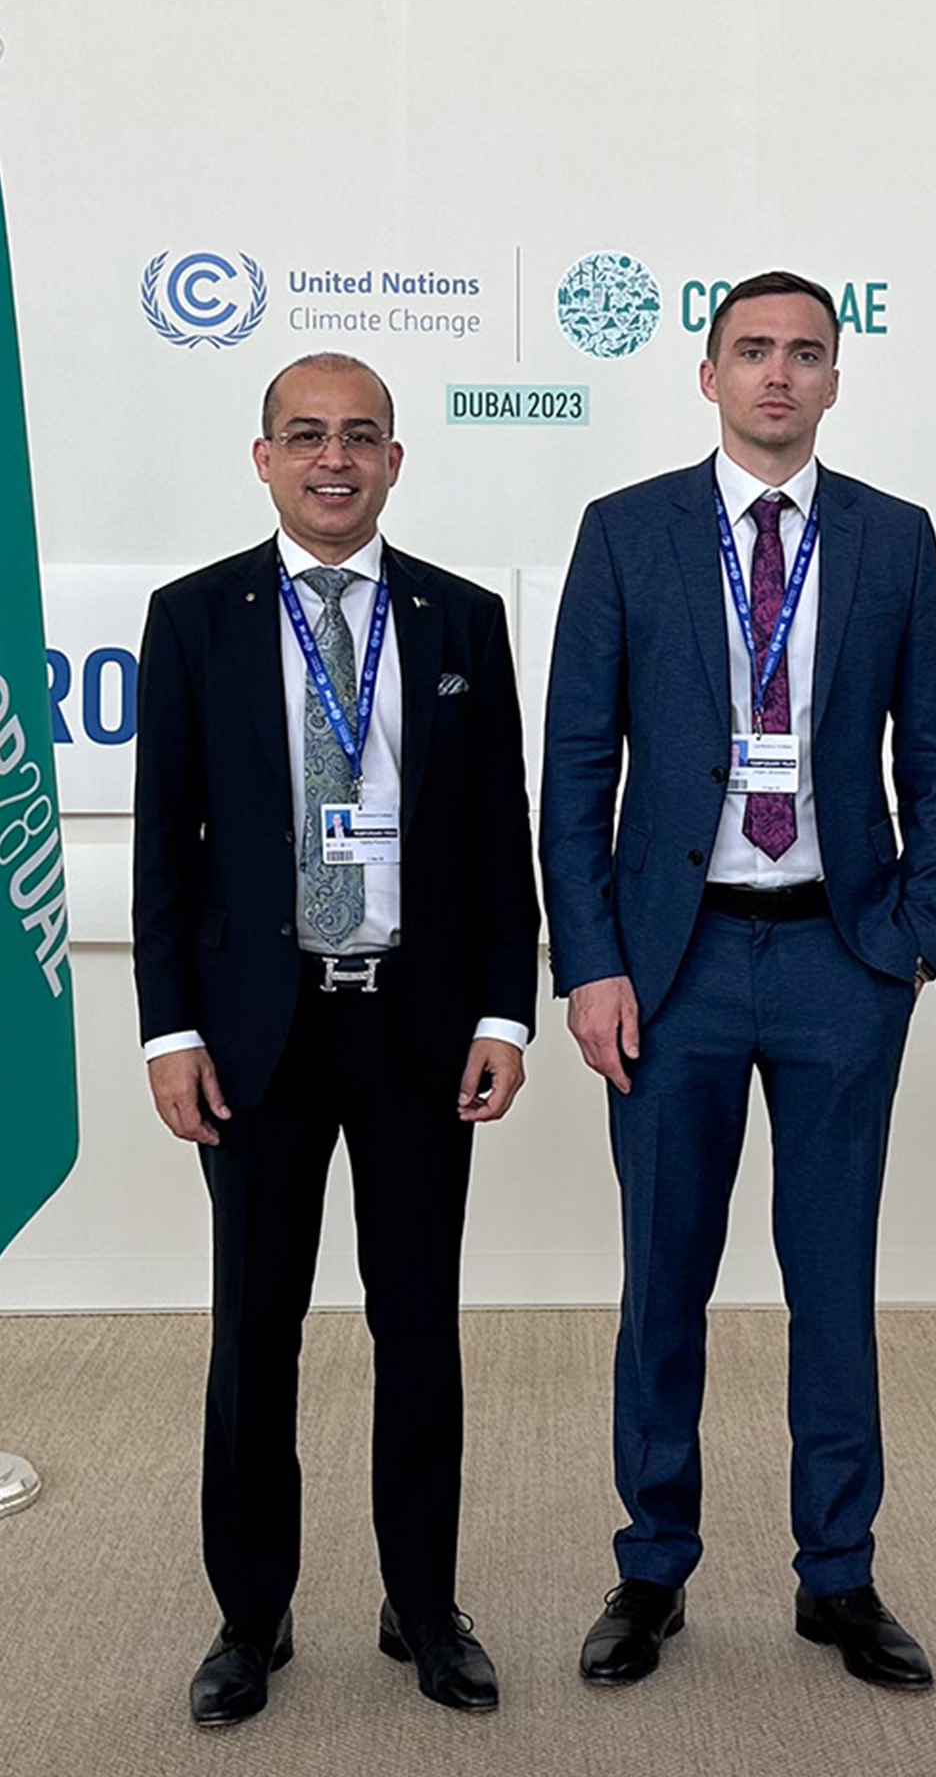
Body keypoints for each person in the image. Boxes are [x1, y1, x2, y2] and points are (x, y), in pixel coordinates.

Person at [540, 272, 936, 1693]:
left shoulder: (894, 541)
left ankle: (836, 1580)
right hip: (675, 970)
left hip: (841, 960)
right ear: (708, 374)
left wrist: (911, 937)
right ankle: (652, 1567)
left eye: (805, 354)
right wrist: (592, 963)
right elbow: (575, 772)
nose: (778, 375)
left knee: (832, 1284)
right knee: (662, 1280)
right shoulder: (627, 534)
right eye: (752, 352)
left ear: (838, 379)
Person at [134, 353, 539, 1724]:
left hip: (420, 1030)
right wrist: (167, 1030)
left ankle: (422, 1606)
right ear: (263, 459)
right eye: (305, 436)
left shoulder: (463, 621)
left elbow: (500, 844)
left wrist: (502, 1010)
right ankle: (252, 1617)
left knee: (419, 1326)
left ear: (395, 461)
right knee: (257, 1332)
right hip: (257, 1036)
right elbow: (163, 849)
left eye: (359, 437)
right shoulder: (193, 618)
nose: (333, 459)